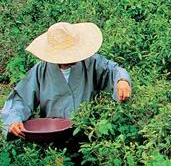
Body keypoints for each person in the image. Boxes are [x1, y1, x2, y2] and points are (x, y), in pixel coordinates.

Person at [2, 22, 133, 138]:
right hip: (51, 136)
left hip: (88, 134)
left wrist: (122, 80)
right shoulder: (41, 70)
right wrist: (14, 119)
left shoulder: (91, 62)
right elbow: (21, 98)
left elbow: (113, 70)